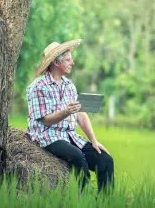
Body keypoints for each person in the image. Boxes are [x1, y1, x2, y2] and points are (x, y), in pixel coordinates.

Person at [26, 39, 114, 193]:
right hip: (47, 136)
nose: (72, 62)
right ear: (55, 62)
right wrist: (66, 111)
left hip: (69, 136)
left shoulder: (69, 86)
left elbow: (81, 114)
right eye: (68, 59)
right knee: (77, 157)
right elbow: (46, 121)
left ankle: (106, 202)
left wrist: (94, 140)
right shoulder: (38, 87)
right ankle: (85, 199)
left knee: (105, 160)